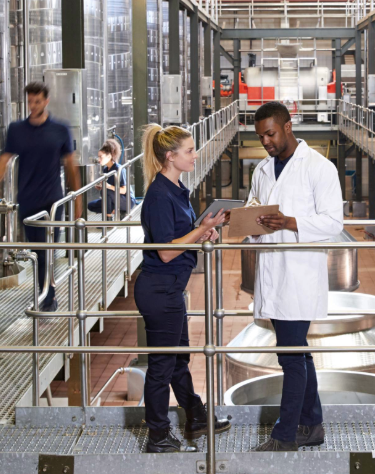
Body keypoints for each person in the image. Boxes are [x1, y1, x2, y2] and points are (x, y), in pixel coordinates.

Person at [241, 102, 343, 452]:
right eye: (260, 136)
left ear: (287, 126)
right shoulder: (262, 170)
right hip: (271, 271)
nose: (265, 141)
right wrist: (245, 222)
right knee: (298, 353)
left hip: (298, 276)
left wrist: (290, 222)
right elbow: (253, 210)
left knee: (290, 357)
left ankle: (285, 435)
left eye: (270, 133)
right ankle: (312, 424)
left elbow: (333, 223)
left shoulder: (319, 168)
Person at [136, 123, 230, 453]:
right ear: (170, 156)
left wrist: (202, 232)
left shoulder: (176, 189)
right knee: (162, 366)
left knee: (178, 360)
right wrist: (200, 229)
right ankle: (158, 436)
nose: (195, 155)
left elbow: (179, 237)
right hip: (159, 290)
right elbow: (164, 250)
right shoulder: (160, 195)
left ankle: (196, 415)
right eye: (189, 151)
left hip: (170, 289)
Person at [0, 82, 82, 312]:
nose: (33, 106)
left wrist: (77, 200)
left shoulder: (60, 129)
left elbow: (71, 166)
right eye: (30, 101)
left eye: (37, 101)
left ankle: (48, 298)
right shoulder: (17, 129)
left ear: (46, 101)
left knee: (47, 249)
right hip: (27, 199)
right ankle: (44, 293)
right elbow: (4, 161)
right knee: (36, 251)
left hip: (52, 200)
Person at [87, 139, 134, 218]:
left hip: (126, 200)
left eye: (101, 157)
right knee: (91, 205)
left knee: (107, 191)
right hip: (113, 199)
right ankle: (117, 211)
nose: (99, 160)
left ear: (109, 156)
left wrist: (108, 186)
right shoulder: (105, 169)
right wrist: (101, 187)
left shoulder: (119, 169)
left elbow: (123, 190)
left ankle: (108, 219)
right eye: (98, 157)